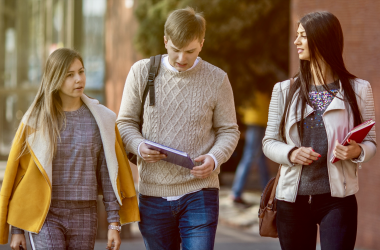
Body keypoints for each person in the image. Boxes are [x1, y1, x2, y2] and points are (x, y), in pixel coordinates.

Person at [117, 7, 240, 250]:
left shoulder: (217, 79)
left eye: (190, 51)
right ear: (165, 41)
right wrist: (140, 146)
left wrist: (215, 159)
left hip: (200, 192)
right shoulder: (142, 72)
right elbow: (125, 123)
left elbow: (229, 130)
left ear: (202, 44)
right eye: (175, 50)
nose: (182, 58)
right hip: (153, 194)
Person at [0, 48, 140, 250]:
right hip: (45, 213)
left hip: (85, 214)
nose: (78, 79)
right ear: (55, 78)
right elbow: (21, 177)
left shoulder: (101, 119)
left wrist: (113, 223)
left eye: (81, 72)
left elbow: (109, 173)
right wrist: (17, 229)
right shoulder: (35, 121)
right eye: (69, 75)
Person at [262, 11, 376, 250]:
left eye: (302, 36)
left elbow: (371, 142)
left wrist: (356, 151)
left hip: (338, 200)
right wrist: (291, 153)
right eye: (297, 36)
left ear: (321, 38)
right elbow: (269, 141)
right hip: (291, 200)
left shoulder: (359, 89)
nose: (296, 42)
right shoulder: (284, 90)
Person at [231, 91, 270, 206]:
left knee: (260, 158)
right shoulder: (262, 84)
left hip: (255, 119)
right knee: (250, 157)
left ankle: (267, 191)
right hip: (258, 120)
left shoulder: (252, 85)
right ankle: (236, 192)